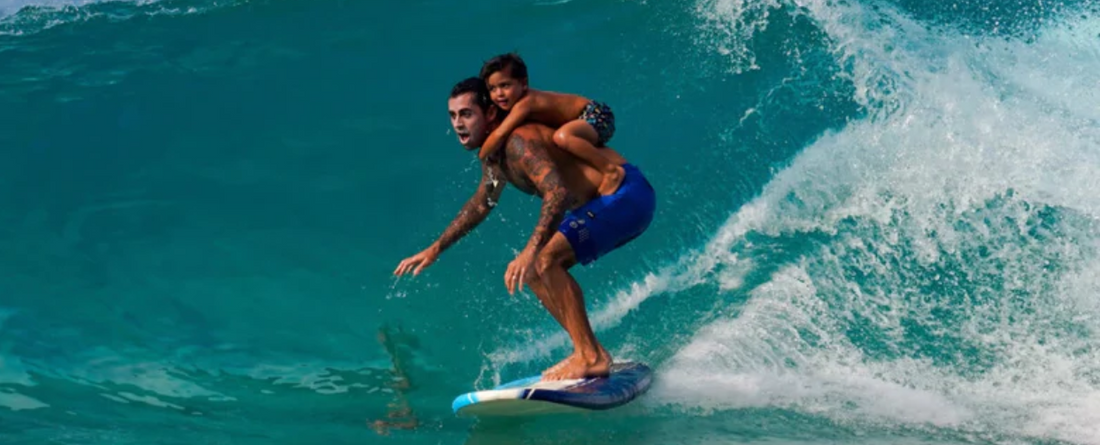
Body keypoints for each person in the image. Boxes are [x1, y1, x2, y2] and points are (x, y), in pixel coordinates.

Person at [393, 77, 656, 381]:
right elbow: (483, 203)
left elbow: (556, 193)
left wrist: (530, 250)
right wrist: (436, 248)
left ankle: (590, 356)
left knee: (543, 260)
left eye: (466, 114)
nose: (458, 124)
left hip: (625, 198)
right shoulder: (495, 157)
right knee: (534, 272)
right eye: (453, 116)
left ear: (490, 114)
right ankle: (590, 351)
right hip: (605, 211)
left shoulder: (518, 142)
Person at [475, 53, 626, 197]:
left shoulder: (525, 103)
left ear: (524, 83)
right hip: (588, 122)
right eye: (492, 89)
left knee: (562, 137)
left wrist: (482, 154)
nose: (499, 94)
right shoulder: (517, 104)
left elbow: (501, 133)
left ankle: (610, 171)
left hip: (597, 116)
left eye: (505, 85)